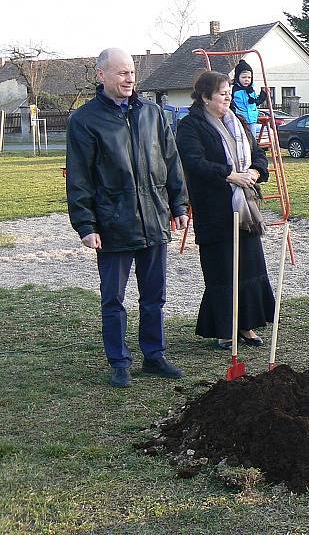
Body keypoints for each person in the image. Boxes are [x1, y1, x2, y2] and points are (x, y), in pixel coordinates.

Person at [66, 48, 189, 388]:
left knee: (154, 296)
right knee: (114, 299)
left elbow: (171, 161)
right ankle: (119, 361)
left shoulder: (152, 113)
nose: (129, 78)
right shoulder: (85, 120)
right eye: (121, 73)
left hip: (154, 219)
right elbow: (79, 177)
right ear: (101, 75)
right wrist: (86, 225)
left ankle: (154, 355)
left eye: (132, 72)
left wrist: (178, 206)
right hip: (113, 224)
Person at [176, 71, 276, 350]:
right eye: (222, 93)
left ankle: (247, 325)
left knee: (250, 266)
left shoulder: (239, 121)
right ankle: (225, 329)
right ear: (205, 97)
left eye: (229, 92)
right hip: (214, 210)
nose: (228, 97)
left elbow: (258, 154)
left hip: (246, 209)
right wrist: (230, 175)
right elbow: (194, 162)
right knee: (222, 269)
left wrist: (255, 172)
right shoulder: (190, 126)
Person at [231, 59, 268, 138]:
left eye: (249, 77)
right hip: (240, 119)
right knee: (241, 137)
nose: (247, 79)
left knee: (252, 138)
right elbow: (230, 102)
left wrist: (263, 94)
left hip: (252, 119)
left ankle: (253, 149)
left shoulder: (251, 90)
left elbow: (256, 102)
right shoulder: (235, 90)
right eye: (243, 77)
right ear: (237, 77)